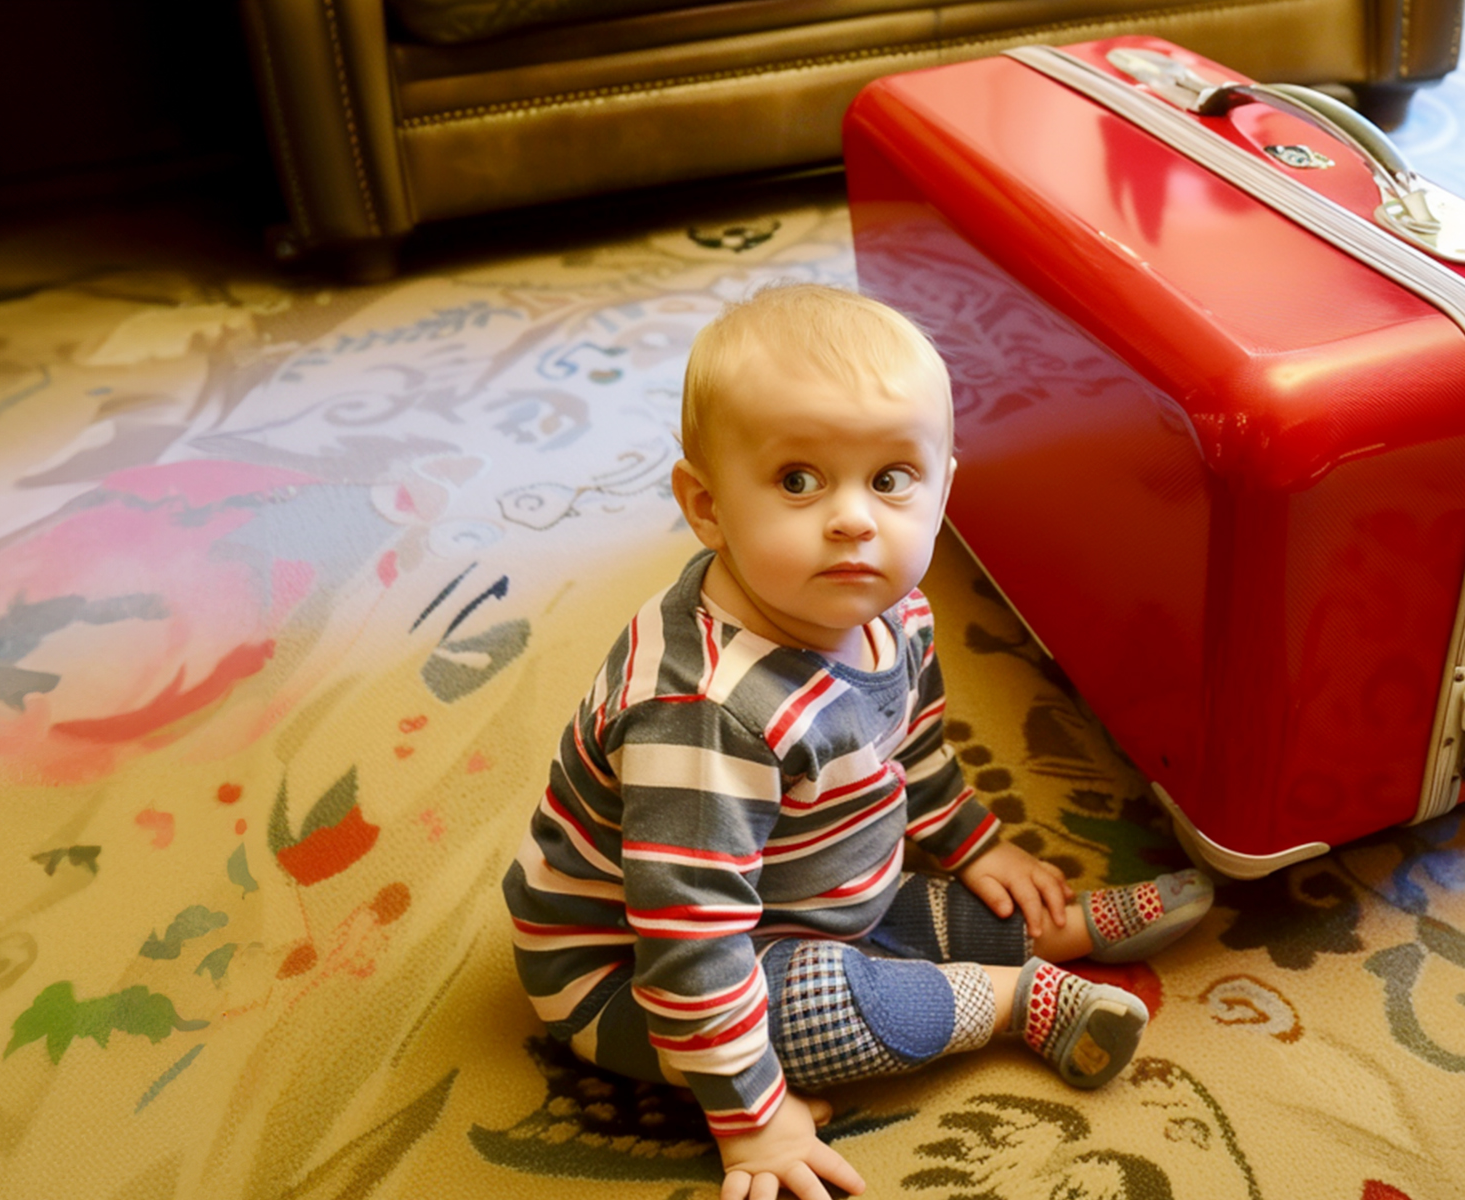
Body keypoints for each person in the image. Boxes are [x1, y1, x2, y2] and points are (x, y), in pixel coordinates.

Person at [503, 283, 1213, 1200]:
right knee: (822, 1002)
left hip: (800, 878)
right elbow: (692, 938)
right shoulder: (707, 713)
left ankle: (1053, 930)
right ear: (708, 505)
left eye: (890, 480)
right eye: (798, 481)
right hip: (633, 968)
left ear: (943, 488)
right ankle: (1013, 1001)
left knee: (894, 901)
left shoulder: (892, 609)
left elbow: (909, 747)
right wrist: (753, 1120)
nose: (853, 519)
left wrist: (974, 842)